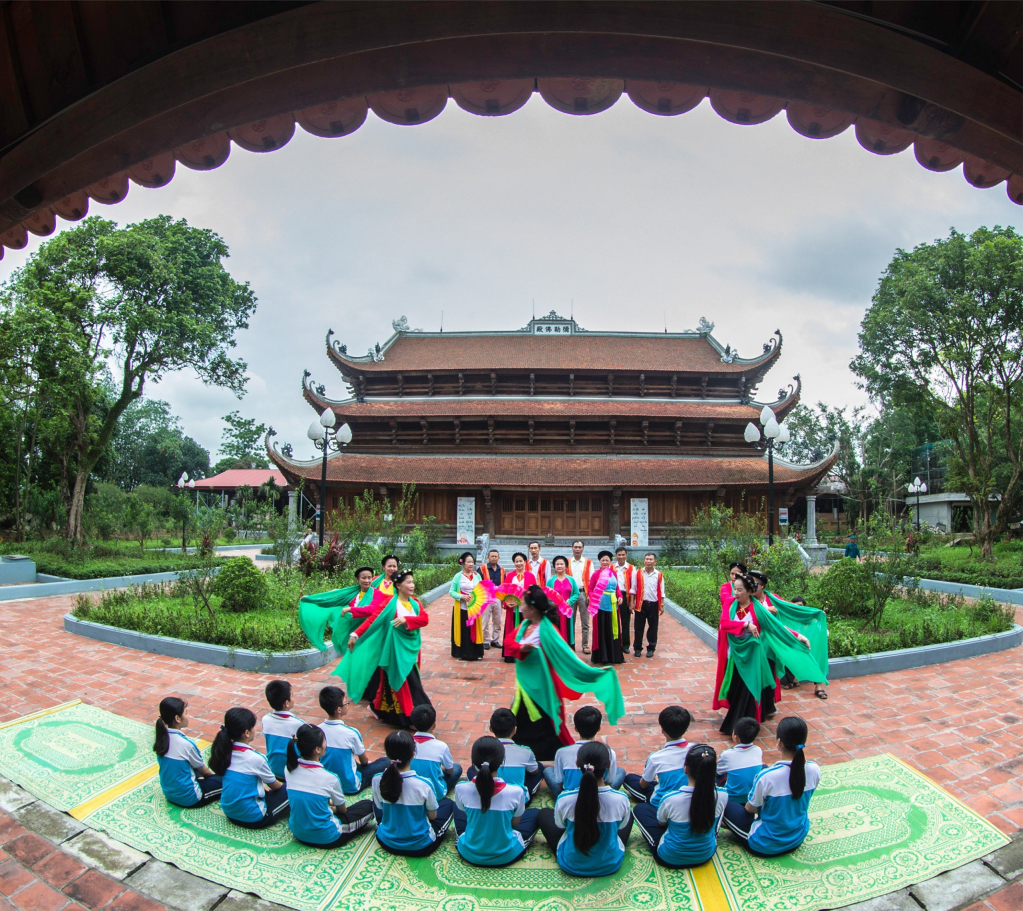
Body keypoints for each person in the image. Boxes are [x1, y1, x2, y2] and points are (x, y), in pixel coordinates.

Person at [504, 585, 625, 761]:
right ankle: (522, 756)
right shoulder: (524, 625)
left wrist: (593, 673)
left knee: (544, 726)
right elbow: (508, 642)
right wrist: (521, 648)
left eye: (523, 604)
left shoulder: (548, 630)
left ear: (533, 608)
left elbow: (569, 658)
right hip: (524, 687)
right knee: (521, 723)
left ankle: (545, 760)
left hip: (542, 689)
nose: (520, 607)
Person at [714, 573, 827, 734]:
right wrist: (747, 625)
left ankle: (740, 728)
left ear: (748, 591)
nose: (736, 593)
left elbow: (777, 627)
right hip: (736, 656)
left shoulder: (757, 608)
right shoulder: (731, 604)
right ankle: (743, 724)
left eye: (740, 590)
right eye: (735, 589)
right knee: (733, 690)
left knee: (749, 691)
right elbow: (724, 624)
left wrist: (798, 636)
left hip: (754, 657)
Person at [340, 569, 432, 728]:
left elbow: (424, 619)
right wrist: (356, 634)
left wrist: (406, 620)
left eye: (412, 582)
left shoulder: (415, 602)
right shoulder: (390, 603)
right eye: (408, 582)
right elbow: (373, 619)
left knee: (391, 683)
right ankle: (414, 717)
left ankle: (378, 708)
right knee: (409, 682)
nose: (412, 585)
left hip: (410, 649)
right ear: (398, 585)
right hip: (394, 650)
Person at [723, 716, 820, 856]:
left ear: (779, 742)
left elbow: (750, 809)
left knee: (723, 800)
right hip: (798, 836)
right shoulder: (814, 769)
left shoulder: (767, 777)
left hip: (765, 843)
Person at [537, 742, 634, 877]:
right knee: (628, 816)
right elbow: (621, 826)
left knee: (543, 814)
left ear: (577, 763)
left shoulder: (564, 798)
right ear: (609, 765)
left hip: (571, 865)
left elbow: (560, 825)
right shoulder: (621, 799)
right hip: (609, 864)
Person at [634, 745, 729, 868]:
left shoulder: (670, 799)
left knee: (640, 809)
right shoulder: (722, 795)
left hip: (670, 857)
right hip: (705, 855)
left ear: (685, 769)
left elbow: (662, 823)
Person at [453, 736, 541, 867]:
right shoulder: (516, 792)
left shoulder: (460, 788)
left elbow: (465, 814)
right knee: (536, 813)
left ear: (474, 763)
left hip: (470, 853)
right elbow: (515, 822)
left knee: (455, 808)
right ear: (501, 763)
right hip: (506, 855)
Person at [285, 724, 375, 847]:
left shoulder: (288, 769)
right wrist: (330, 808)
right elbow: (342, 810)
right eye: (324, 741)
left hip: (298, 832)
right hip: (328, 836)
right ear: (317, 749)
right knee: (369, 806)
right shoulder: (330, 778)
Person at [372, 730, 455, 857]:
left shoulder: (377, 779)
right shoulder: (424, 784)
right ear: (413, 754)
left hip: (386, 841)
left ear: (388, 755)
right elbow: (432, 817)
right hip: (420, 846)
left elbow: (380, 809)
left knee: (376, 803)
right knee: (449, 804)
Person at [209, 707, 289, 829]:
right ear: (247, 733)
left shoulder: (224, 752)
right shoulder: (256, 758)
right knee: (291, 790)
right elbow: (276, 786)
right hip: (254, 818)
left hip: (229, 812)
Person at [297, 566, 391, 658]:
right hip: (352, 633)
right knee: (353, 660)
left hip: (369, 633)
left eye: (369, 578)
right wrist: (310, 599)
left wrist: (350, 609)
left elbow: (372, 609)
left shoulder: (377, 594)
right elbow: (331, 600)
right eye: (363, 578)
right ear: (357, 580)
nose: (367, 580)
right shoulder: (352, 594)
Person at [317, 685, 390, 794]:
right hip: (350, 786)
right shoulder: (351, 733)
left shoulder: (318, 730)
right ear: (339, 709)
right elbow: (364, 761)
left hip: (327, 783)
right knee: (386, 761)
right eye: (346, 703)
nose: (348, 705)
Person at [544, 705, 626, 798]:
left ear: (576, 728)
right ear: (599, 728)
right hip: (598, 797)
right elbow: (609, 782)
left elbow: (559, 783)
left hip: (570, 797)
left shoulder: (561, 753)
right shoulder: (609, 753)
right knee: (620, 771)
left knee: (548, 771)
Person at [153, 696, 222, 808]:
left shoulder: (161, 738)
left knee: (188, 765)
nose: (188, 716)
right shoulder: (186, 744)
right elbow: (205, 771)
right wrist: (216, 778)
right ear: (177, 718)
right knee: (226, 782)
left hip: (169, 794)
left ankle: (199, 780)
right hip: (190, 798)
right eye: (186, 713)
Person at [622, 706, 693, 805]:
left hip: (664, 802)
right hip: (691, 794)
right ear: (686, 728)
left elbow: (643, 784)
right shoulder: (696, 749)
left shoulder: (655, 758)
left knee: (629, 779)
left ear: (662, 730)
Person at [473, 708, 544, 801]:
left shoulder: (483, 750)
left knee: (472, 770)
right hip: (517, 800)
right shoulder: (525, 751)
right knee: (538, 767)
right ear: (515, 730)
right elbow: (534, 771)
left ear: (490, 728)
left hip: (490, 795)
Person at [410, 704, 463, 799]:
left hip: (411, 791)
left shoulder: (406, 743)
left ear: (414, 724)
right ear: (434, 725)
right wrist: (441, 768)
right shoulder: (441, 746)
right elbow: (450, 771)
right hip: (434, 794)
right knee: (457, 768)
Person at [716, 717, 764, 809]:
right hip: (751, 796)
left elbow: (718, 771)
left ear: (736, 737)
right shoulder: (758, 750)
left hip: (733, 799)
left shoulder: (727, 754)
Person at [262, 680, 304, 780]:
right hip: (293, 772)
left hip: (274, 770)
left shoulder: (265, 720)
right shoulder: (299, 724)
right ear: (286, 703)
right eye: (292, 695)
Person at [587, 551, 624, 665]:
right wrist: (594, 599)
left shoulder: (613, 573)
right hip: (600, 606)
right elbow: (590, 589)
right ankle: (602, 656)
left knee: (613, 629)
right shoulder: (596, 574)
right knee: (601, 629)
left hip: (612, 605)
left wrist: (620, 596)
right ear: (599, 561)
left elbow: (617, 588)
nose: (605, 562)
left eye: (607, 560)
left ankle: (614, 655)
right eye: (603, 560)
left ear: (610, 562)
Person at [501, 552, 537, 664]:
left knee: (525, 629)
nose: (518, 563)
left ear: (525, 562)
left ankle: (525, 652)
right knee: (512, 630)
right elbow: (504, 592)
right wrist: (507, 603)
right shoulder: (510, 576)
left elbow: (534, 592)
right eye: (516, 561)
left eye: (521, 561)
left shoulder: (530, 576)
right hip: (513, 609)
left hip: (525, 609)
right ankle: (510, 654)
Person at [449, 551, 485, 661]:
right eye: (468, 562)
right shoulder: (458, 576)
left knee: (474, 629)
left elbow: (481, 589)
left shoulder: (477, 575)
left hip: (474, 608)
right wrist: (462, 597)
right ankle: (462, 653)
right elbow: (451, 592)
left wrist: (478, 597)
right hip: (462, 608)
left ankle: (475, 652)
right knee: (464, 630)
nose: (471, 564)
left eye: (472, 562)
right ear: (463, 563)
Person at [631, 552, 665, 658]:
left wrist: (662, 605)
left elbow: (662, 590)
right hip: (641, 604)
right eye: (647, 559)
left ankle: (651, 648)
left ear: (655, 562)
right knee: (638, 627)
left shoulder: (659, 575)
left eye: (651, 559)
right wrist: (632, 602)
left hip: (653, 604)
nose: (648, 561)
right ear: (643, 561)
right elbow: (633, 589)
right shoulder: (638, 573)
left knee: (653, 627)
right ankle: (637, 648)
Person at [544, 555, 581, 648]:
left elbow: (576, 593)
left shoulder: (571, 580)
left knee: (568, 631)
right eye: (557, 564)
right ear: (554, 567)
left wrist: (570, 601)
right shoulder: (551, 581)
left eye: (561, 564)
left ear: (566, 566)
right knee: (556, 631)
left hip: (567, 611)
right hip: (555, 612)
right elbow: (546, 596)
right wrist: (552, 603)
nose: (559, 566)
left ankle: (568, 653)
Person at [568, 541, 594, 654]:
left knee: (585, 621)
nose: (577, 549)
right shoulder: (567, 562)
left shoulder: (588, 562)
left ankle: (585, 645)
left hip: (583, 593)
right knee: (570, 620)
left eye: (579, 547)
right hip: (571, 594)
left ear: (583, 549)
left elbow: (591, 580)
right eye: (575, 547)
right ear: (572, 548)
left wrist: (590, 595)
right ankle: (571, 644)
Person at [480, 549, 506, 648]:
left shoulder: (502, 570)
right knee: (485, 620)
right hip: (486, 598)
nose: (494, 558)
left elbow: (504, 584)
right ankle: (485, 640)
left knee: (497, 620)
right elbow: (479, 583)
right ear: (488, 557)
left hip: (498, 598)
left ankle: (495, 640)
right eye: (492, 556)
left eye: (496, 556)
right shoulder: (482, 569)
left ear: (498, 558)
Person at [613, 547, 634, 653]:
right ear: (615, 555)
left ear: (626, 555)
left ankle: (625, 645)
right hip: (613, 596)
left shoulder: (631, 568)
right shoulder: (611, 568)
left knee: (625, 621)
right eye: (619, 555)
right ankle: (615, 643)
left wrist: (632, 602)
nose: (621, 557)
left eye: (623, 554)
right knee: (614, 620)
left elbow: (634, 586)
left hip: (626, 596)